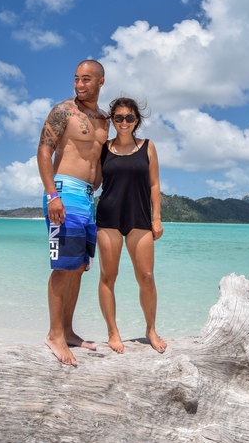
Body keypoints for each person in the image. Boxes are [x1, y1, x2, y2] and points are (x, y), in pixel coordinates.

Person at [36, 59, 109, 367]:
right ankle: (54, 334)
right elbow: (44, 151)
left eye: (86, 79)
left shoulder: (104, 120)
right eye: (77, 78)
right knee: (63, 267)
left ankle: (67, 330)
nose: (80, 84)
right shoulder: (63, 111)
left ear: (100, 82)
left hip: (89, 198)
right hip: (64, 192)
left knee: (78, 268)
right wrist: (52, 195)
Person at [96, 97, 167, 354]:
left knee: (146, 277)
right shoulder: (103, 148)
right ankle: (113, 332)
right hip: (108, 219)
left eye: (129, 118)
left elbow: (154, 184)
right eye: (118, 117)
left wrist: (156, 218)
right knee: (108, 276)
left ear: (136, 120)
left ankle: (151, 330)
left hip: (139, 218)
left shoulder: (148, 146)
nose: (124, 122)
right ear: (112, 120)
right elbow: (93, 180)